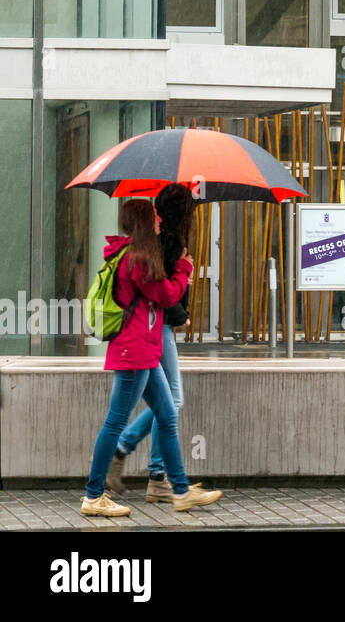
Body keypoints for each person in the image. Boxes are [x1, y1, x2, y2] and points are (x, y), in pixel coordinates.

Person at [80, 198, 222, 517]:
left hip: (144, 351)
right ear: (144, 222)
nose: (159, 220)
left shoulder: (135, 255)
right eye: (154, 216)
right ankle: (92, 496)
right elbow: (166, 294)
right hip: (134, 353)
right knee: (115, 421)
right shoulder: (137, 259)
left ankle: (181, 491)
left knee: (168, 415)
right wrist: (184, 268)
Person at [105, 183, 195, 504]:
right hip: (154, 333)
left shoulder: (157, 241)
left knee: (168, 406)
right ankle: (138, 462)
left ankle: (159, 478)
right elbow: (163, 291)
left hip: (151, 332)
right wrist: (184, 275)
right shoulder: (168, 242)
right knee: (172, 402)